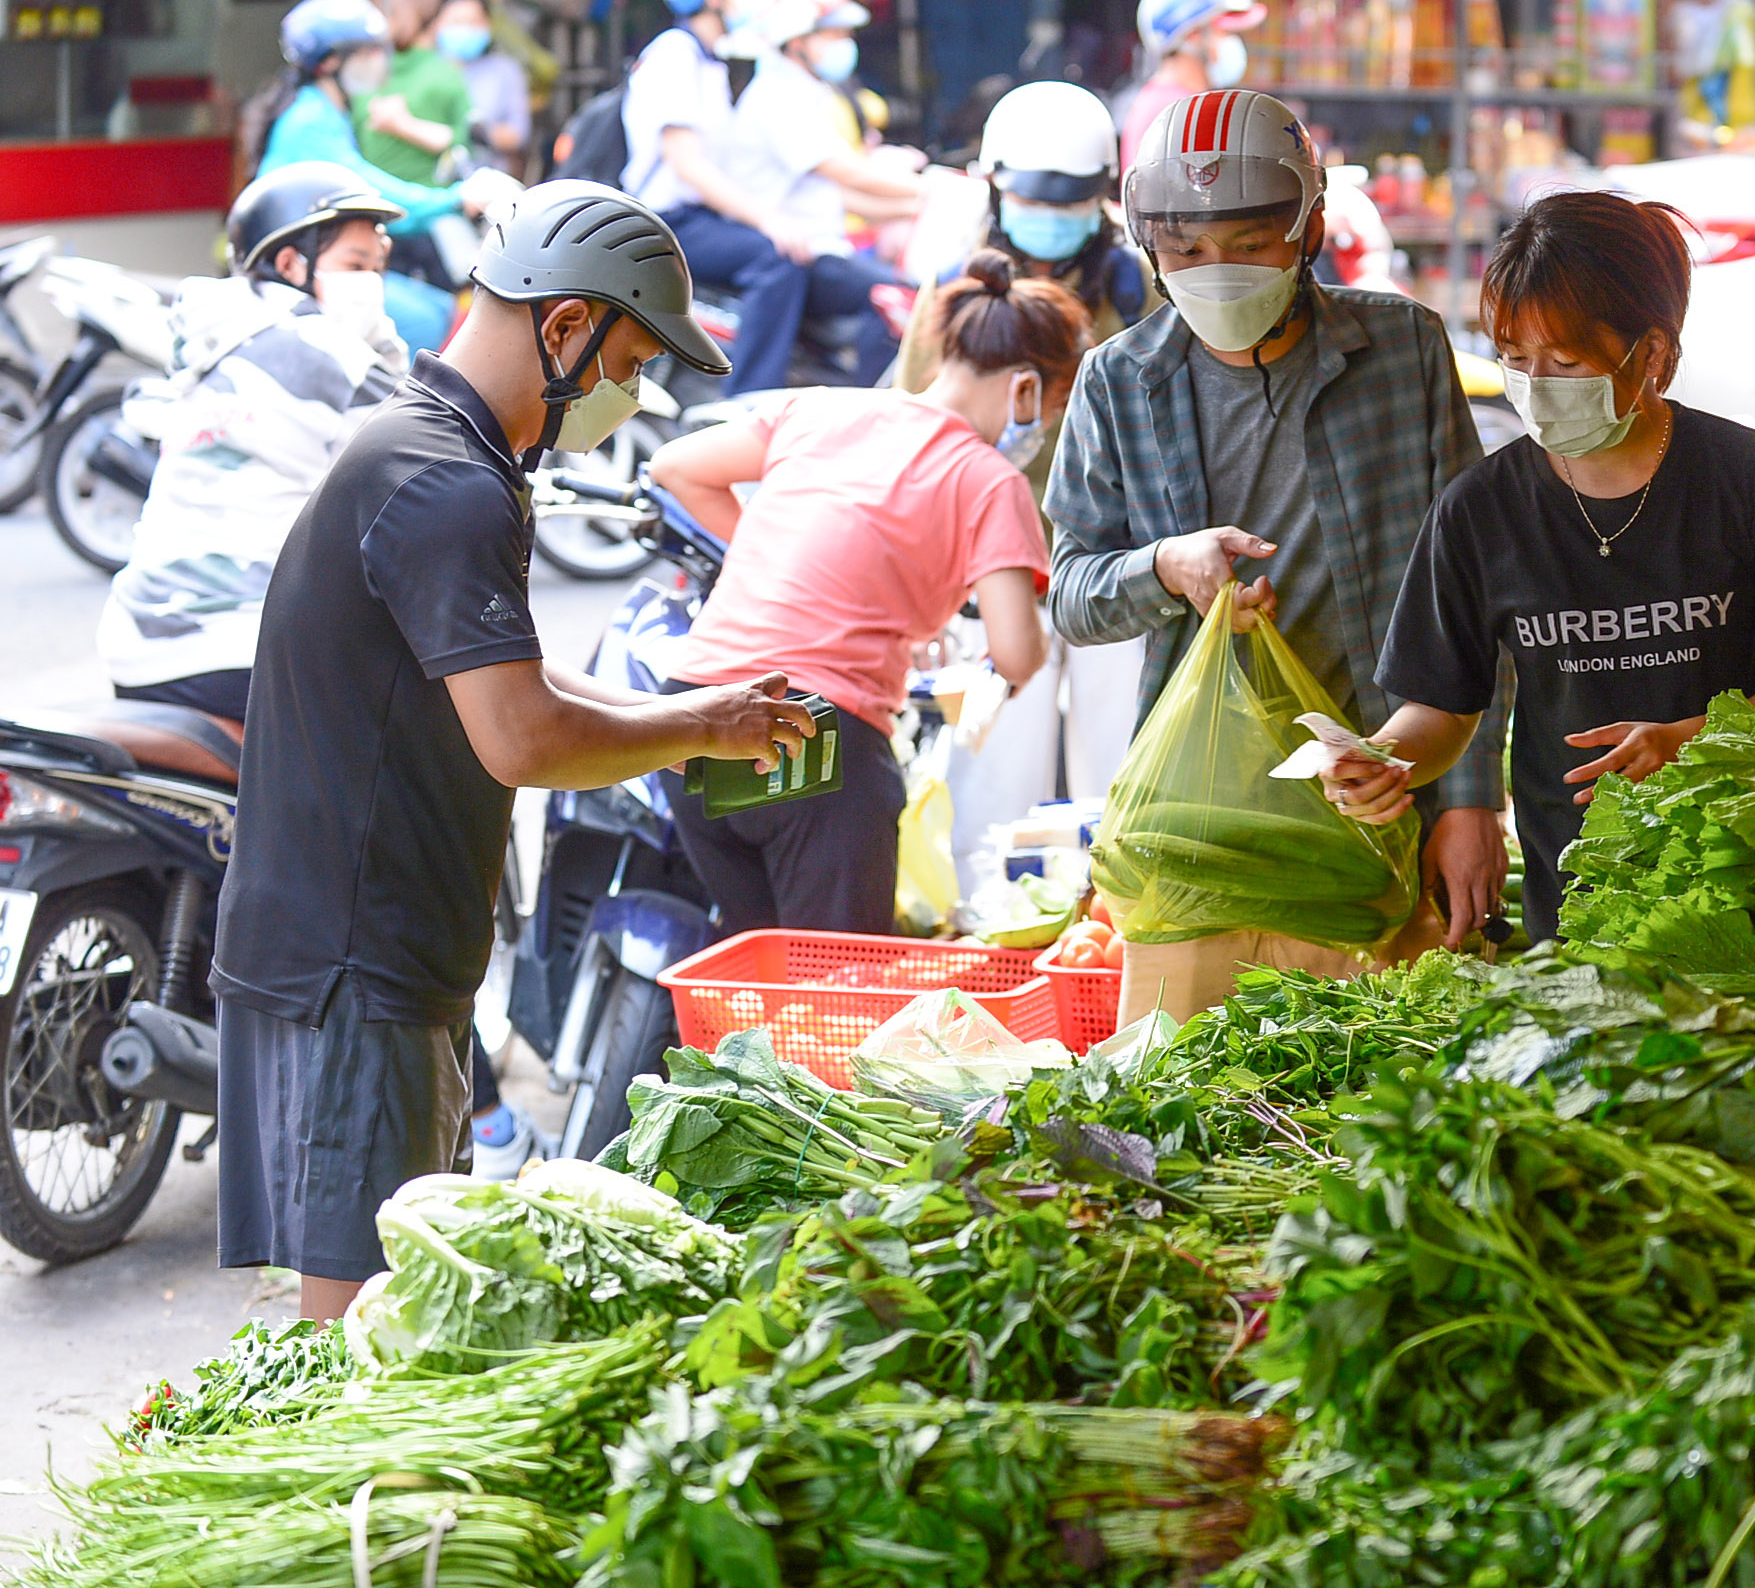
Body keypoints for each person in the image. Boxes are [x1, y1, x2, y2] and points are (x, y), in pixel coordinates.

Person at [212, 182, 814, 1322]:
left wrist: (691, 716)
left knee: (395, 1306)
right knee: (362, 1332)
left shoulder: (438, 449)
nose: (631, 397)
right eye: (632, 362)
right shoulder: (442, 481)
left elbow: (511, 675)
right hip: (355, 959)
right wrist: (692, 729)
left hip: (379, 943)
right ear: (567, 326)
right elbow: (523, 735)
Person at [1046, 87, 1507, 1023]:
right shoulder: (1119, 381)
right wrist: (1164, 566)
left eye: (1249, 244)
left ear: (1308, 228)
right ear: (1151, 247)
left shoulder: (1403, 350)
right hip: (1204, 826)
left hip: (1386, 798)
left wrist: (1466, 800)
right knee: (1182, 1117)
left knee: (1375, 1113)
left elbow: (1469, 595)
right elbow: (1072, 594)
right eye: (1185, 251)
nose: (1215, 270)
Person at [1318, 192, 1755, 944]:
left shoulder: (1752, 479)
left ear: (1654, 355)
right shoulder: (1479, 509)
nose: (1536, 384)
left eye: (1565, 362)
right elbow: (1441, 707)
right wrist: (1385, 759)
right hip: (1573, 894)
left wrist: (1688, 741)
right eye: (1515, 358)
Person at [646, 251, 1083, 934]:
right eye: (1052, 410)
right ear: (1026, 390)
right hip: (814, 739)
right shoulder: (988, 480)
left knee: (753, 976)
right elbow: (1018, 653)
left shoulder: (820, 409)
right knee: (834, 990)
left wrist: (765, 557)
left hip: (689, 717)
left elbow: (676, 467)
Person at [895, 80, 1161, 881]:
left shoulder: (1131, 285)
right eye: (1033, 200)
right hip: (990, 575)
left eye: (1071, 202)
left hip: (1114, 568)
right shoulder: (954, 286)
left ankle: (1108, 939)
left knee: (1123, 790)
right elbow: (913, 426)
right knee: (987, 796)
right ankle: (993, 940)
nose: (1051, 219)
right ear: (993, 188)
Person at [99, 163, 406, 728]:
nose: (371, 286)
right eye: (355, 266)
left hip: (136, 633)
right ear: (293, 263)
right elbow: (420, 452)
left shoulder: (218, 333)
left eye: (377, 269)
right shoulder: (322, 348)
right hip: (234, 646)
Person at [249, 0, 491, 354]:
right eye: (367, 52)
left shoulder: (328, 111)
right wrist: (454, 199)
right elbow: (367, 190)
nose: (379, 61)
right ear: (330, 62)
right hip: (301, 273)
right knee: (424, 321)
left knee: (440, 307)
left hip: (324, 261)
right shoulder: (309, 121)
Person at [623, 0, 809, 395]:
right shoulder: (675, 55)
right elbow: (687, 164)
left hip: (694, 217)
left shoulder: (705, 60)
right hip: (665, 223)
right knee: (775, 259)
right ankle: (747, 400)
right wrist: (768, 219)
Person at [724, 0, 915, 386]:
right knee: (894, 300)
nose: (846, 44)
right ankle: (871, 415)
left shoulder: (807, 94)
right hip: (804, 255)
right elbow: (846, 172)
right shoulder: (778, 98)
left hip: (825, 248)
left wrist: (915, 206)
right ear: (797, 42)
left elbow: (841, 195)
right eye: (835, 34)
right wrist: (931, 190)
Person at [1115, 0, 1264, 177]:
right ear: (1193, 36)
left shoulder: (1182, 104)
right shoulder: (1174, 112)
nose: (1233, 43)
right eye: (1226, 33)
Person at [352, 0, 472, 188]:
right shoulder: (445, 74)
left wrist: (401, 125)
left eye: (391, 14)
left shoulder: (368, 73)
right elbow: (469, 142)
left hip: (386, 200)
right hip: (424, 201)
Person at [435, 0, 533, 176]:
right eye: (457, 21)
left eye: (473, 22)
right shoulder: (427, 68)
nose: (464, 29)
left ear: (488, 24)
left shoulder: (505, 70)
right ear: (437, 23)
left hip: (489, 180)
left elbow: (519, 134)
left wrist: (481, 134)